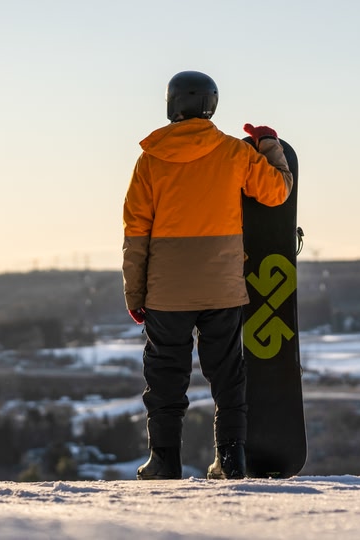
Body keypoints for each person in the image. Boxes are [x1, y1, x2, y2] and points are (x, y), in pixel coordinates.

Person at [122, 70, 293, 480]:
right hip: (222, 289)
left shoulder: (150, 160)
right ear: (211, 106)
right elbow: (277, 191)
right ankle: (231, 460)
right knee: (228, 375)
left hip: (167, 293)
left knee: (165, 378)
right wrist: (269, 144)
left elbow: (135, 233)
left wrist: (135, 294)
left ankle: (164, 461)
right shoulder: (234, 153)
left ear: (172, 104)